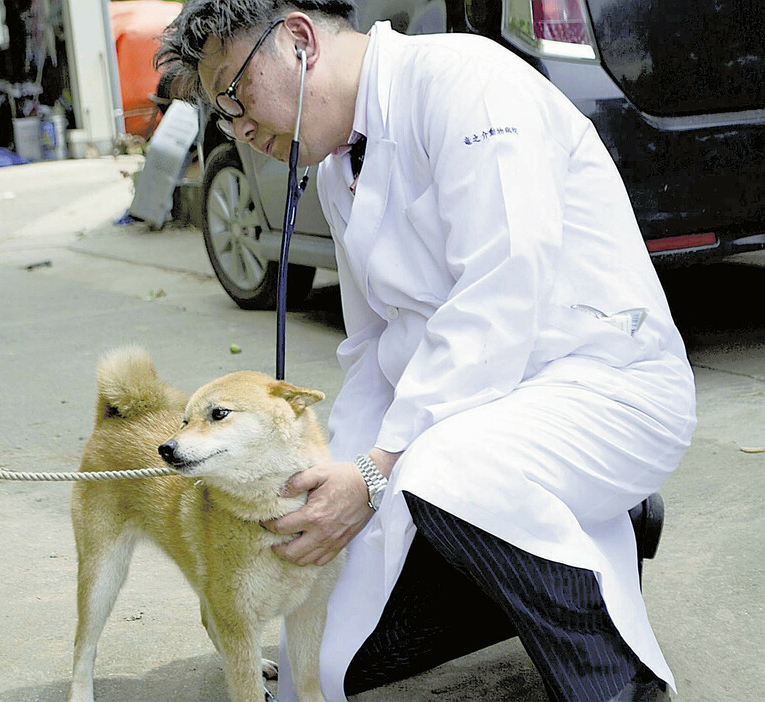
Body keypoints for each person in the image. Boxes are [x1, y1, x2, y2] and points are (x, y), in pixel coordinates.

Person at [156, 2, 696, 700]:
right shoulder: (334, 169)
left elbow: (503, 290)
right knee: (324, 666)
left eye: (233, 92)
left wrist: (378, 472)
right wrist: (330, 483)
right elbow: (374, 349)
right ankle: (573, 532)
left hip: (598, 388)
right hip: (468, 420)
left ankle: (613, 681)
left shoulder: (467, 83)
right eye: (221, 114)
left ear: (296, 40)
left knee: (445, 469)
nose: (238, 127)